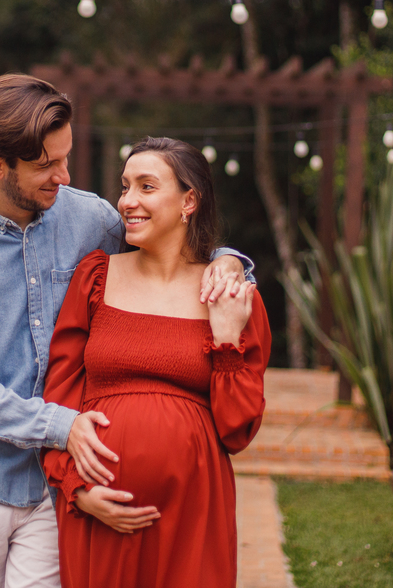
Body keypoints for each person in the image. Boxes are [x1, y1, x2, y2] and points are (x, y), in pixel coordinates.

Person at [0, 75, 254, 588]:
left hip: (58, 488)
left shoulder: (92, 218)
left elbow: (171, 246)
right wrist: (59, 426)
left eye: (65, 157)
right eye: (46, 165)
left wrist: (229, 261)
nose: (63, 176)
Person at [42, 136, 270, 588]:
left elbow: (237, 428)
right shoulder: (95, 277)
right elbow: (59, 395)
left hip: (192, 510)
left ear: (189, 200)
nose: (127, 202)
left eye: (146, 187)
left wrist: (225, 340)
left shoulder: (231, 297)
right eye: (125, 187)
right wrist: (76, 489)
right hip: (99, 508)